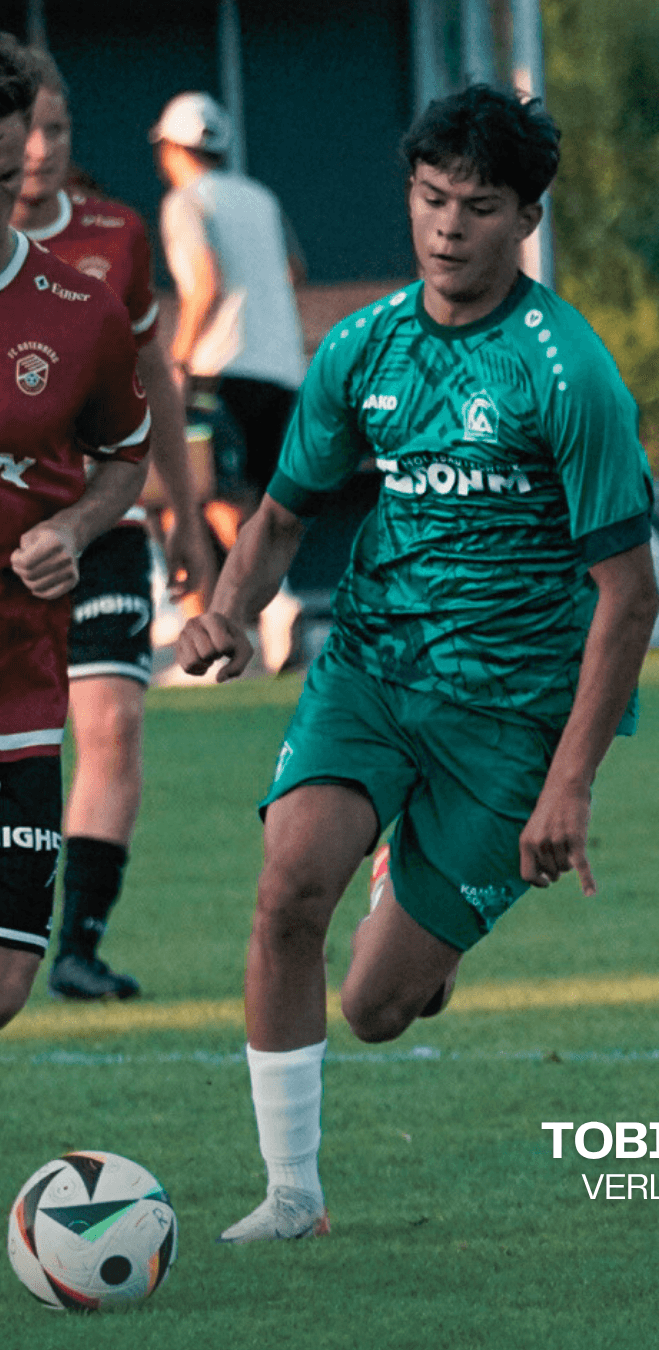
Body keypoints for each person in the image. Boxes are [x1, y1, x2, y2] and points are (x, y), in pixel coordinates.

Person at [176, 83, 659, 1243]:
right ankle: (292, 1196)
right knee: (288, 888)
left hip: (511, 715)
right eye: (433, 198)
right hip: (374, 670)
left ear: (526, 219)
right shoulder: (362, 347)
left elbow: (631, 593)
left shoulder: (567, 373)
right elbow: (281, 517)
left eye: (479, 207)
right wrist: (228, 610)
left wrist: (570, 784)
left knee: (379, 1008)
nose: (448, 227)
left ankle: (414, 887)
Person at [10, 44, 214, 1001]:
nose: (42, 149)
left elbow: (150, 383)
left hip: (100, 532)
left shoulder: (116, 238)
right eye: (27, 131)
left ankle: (77, 947)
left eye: (57, 129)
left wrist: (184, 515)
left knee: (114, 723)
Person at [0, 35, 151, 1030]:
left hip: (20, 675)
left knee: (7, 981)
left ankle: (83, 946)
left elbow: (126, 455)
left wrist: (78, 524)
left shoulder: (79, 308)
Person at [150, 91, 307, 673]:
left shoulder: (185, 202)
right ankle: (251, 624)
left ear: (172, 149)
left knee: (200, 498)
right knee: (246, 502)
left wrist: (177, 361)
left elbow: (205, 283)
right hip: (281, 370)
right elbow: (293, 270)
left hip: (218, 367)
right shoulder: (261, 197)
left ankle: (263, 613)